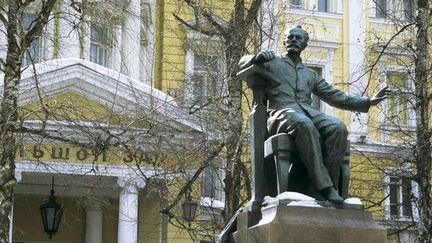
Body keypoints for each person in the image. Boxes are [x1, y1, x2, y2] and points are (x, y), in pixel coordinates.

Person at [238, 26, 390, 203]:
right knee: (304, 124)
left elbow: (335, 96)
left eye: (298, 38)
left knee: (338, 128)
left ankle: (323, 189)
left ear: (305, 44)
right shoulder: (273, 62)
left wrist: (367, 101)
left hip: (306, 112)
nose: (294, 40)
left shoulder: (309, 73)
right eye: (290, 37)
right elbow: (242, 63)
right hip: (280, 113)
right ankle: (324, 187)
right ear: (284, 41)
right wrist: (256, 58)